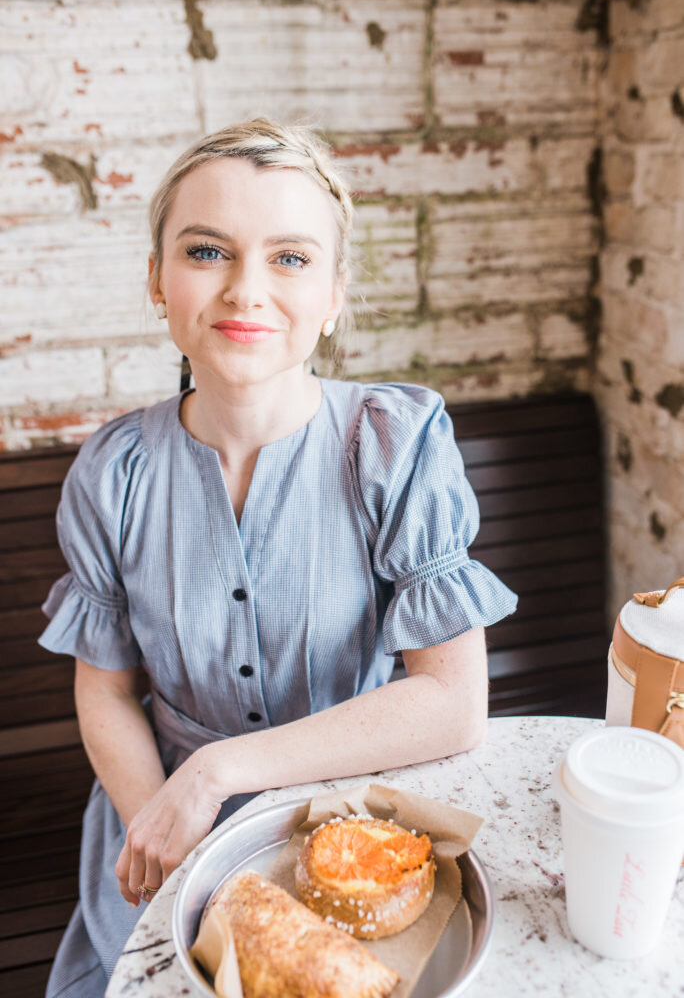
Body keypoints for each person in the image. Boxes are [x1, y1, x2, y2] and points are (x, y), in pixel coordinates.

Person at [38, 117, 518, 997]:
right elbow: (104, 687)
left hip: (362, 831)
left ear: (335, 293)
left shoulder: (393, 447)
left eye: (290, 258)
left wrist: (217, 773)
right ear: (157, 279)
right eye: (207, 251)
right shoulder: (113, 474)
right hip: (158, 820)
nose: (245, 290)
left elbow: (453, 702)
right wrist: (162, 818)